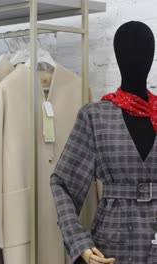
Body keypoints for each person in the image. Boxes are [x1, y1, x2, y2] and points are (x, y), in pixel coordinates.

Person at [51, 21, 157, 264]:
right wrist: (80, 243)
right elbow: (62, 183)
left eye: (143, 51)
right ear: (118, 57)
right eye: (129, 51)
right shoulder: (94, 117)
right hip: (112, 242)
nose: (137, 58)